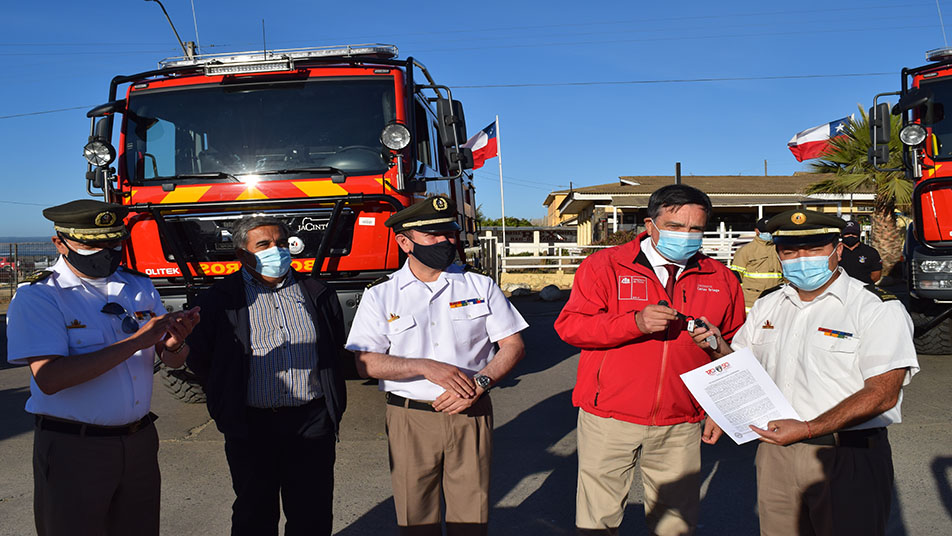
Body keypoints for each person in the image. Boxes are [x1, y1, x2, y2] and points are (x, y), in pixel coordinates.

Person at [690, 209, 919, 536]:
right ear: (778, 254)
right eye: (791, 251)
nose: (802, 258)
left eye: (814, 248)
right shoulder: (768, 305)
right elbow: (744, 367)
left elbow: (883, 393)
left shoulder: (875, 307)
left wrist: (809, 428)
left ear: (838, 250)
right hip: (775, 455)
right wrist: (716, 348)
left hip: (845, 456)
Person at [555, 184, 746, 536]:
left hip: (681, 422)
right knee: (597, 521)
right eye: (675, 226)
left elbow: (734, 350)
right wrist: (634, 323)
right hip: (609, 417)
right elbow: (571, 327)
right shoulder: (605, 266)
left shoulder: (720, 279)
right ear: (650, 224)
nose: (685, 236)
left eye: (695, 229)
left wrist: (721, 409)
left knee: (675, 524)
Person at [5, 199, 200, 536]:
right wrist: (137, 341)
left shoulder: (137, 285)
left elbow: (169, 359)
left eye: (113, 242)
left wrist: (175, 344)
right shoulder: (40, 297)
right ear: (59, 242)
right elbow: (49, 378)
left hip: (139, 441)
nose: (105, 251)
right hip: (75, 449)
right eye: (92, 244)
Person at [345, 195, 527, 536]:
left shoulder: (479, 284)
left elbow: (513, 345)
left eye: (450, 233)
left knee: (471, 517)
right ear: (404, 242)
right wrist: (426, 367)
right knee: (416, 518)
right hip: (410, 418)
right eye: (433, 235)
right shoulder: (380, 294)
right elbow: (365, 362)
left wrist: (482, 382)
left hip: (470, 411)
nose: (446, 241)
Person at [185, 215, 346, 536]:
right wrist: (226, 400)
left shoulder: (317, 292)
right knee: (253, 515)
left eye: (281, 243)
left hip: (312, 423)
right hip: (252, 426)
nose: (277, 251)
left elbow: (334, 349)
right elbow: (200, 359)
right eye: (264, 245)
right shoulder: (218, 300)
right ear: (242, 254)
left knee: (312, 514)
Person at [728, 217, 783, 310]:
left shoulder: (780, 249)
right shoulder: (746, 251)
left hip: (776, 297)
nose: (768, 234)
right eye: (765, 231)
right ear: (757, 231)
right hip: (751, 299)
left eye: (770, 231)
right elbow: (736, 277)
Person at [838, 220, 882, 284]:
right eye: (847, 234)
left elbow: (875, 276)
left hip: (864, 289)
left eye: (854, 234)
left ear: (859, 233)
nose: (850, 235)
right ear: (841, 234)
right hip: (839, 288)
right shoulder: (834, 251)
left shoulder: (870, 252)